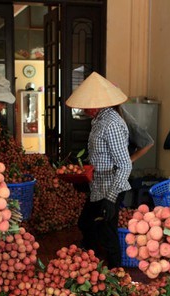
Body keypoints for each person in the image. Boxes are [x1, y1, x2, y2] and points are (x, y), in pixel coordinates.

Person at [66, 72, 132, 268]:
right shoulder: (99, 120)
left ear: (95, 104)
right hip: (98, 185)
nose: (83, 108)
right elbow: (102, 155)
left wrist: (111, 199)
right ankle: (91, 264)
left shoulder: (111, 123)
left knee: (107, 232)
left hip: (110, 187)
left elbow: (125, 164)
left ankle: (117, 275)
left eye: (86, 104)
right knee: (86, 223)